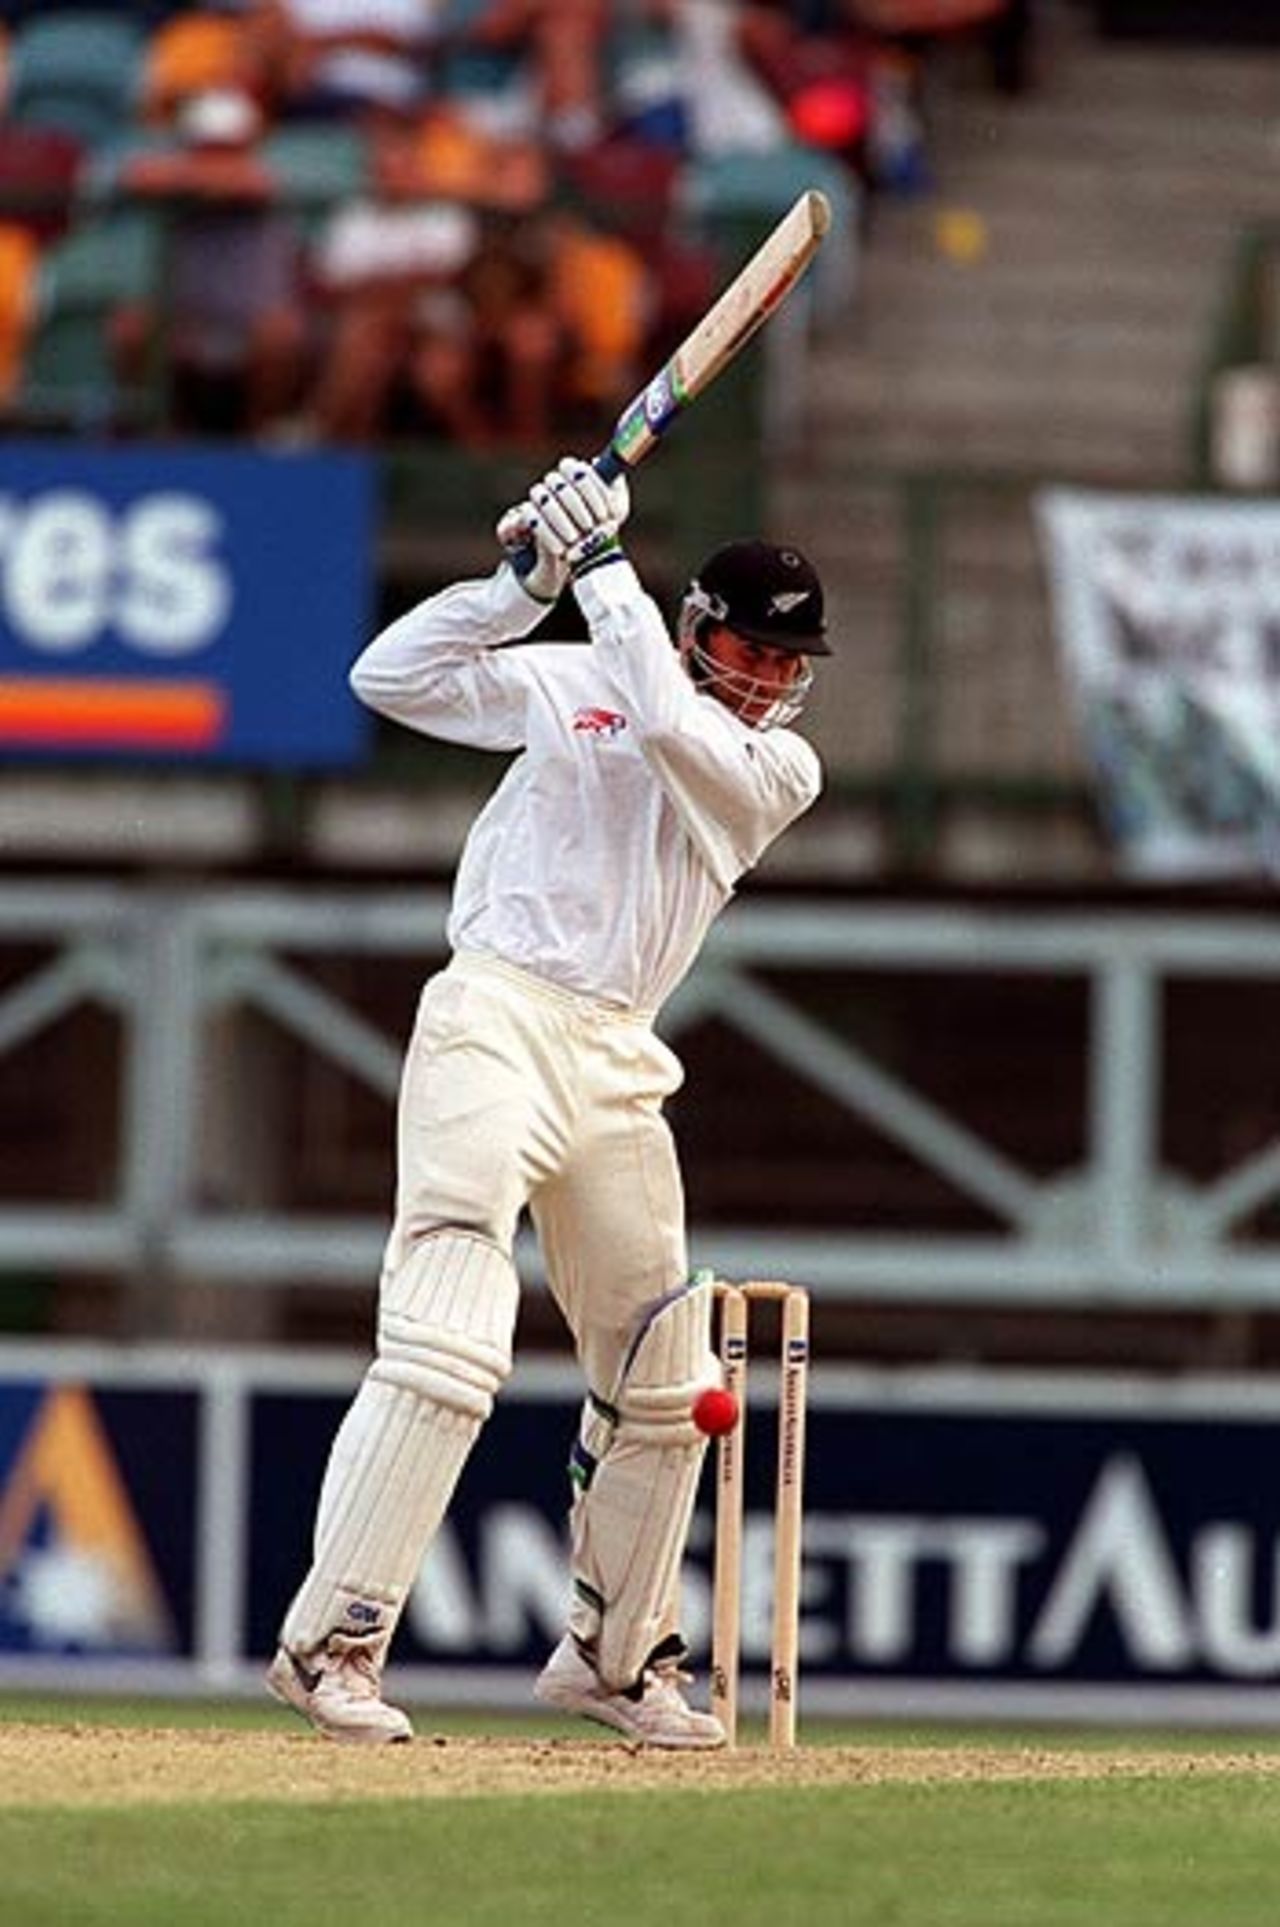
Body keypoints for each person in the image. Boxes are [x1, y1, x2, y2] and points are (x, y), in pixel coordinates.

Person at [266, 456, 830, 1748]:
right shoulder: (580, 676)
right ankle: (333, 1639)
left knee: (667, 1366)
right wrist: (521, 588)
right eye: (743, 651)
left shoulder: (772, 772)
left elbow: (675, 730)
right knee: (454, 1328)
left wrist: (606, 568)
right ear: (703, 631)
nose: (759, 684)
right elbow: (388, 678)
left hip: (621, 1057)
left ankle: (616, 1658)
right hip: (497, 1013)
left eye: (782, 669)